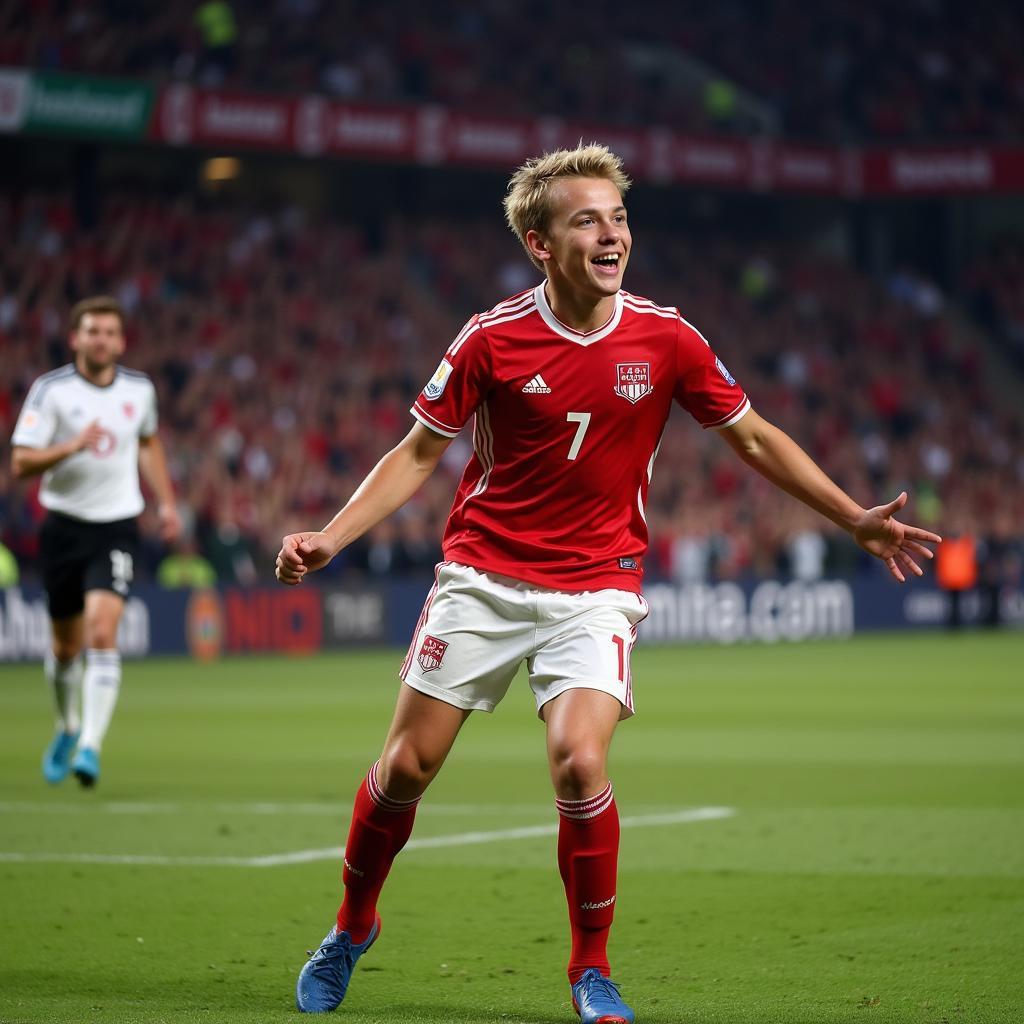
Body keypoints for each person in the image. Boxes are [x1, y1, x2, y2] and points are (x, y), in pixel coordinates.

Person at [275, 144, 941, 1023]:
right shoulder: (490, 337)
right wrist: (333, 536)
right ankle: (352, 928)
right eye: (586, 219)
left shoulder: (667, 337)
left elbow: (754, 437)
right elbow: (419, 452)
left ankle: (591, 969)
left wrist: (851, 514)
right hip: (483, 574)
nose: (611, 233)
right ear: (538, 242)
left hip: (595, 585)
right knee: (405, 766)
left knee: (579, 759)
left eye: (618, 217)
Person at [10, 295, 180, 788]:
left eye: (109, 332)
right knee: (65, 647)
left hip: (117, 525)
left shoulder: (139, 390)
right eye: (92, 331)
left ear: (121, 341)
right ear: (75, 338)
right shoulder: (51, 392)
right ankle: (66, 727)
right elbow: (21, 463)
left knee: (102, 633)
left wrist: (166, 503)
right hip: (63, 527)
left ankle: (90, 745)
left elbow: (148, 444)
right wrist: (70, 445)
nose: (101, 339)